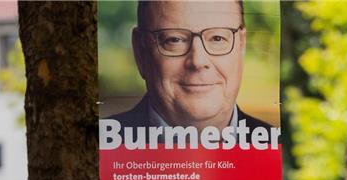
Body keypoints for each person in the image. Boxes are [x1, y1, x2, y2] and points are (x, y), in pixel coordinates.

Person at [112, 0, 273, 137]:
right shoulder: (98, 149)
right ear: (141, 51)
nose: (198, 61)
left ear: (241, 45)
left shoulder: (284, 152)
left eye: (217, 38)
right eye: (174, 40)